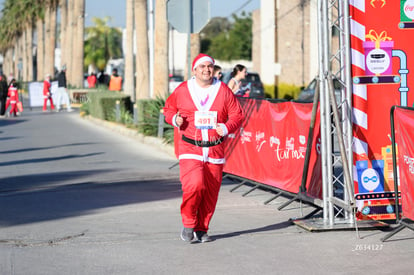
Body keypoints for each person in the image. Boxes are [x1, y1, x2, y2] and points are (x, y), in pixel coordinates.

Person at [163, 53, 244, 243]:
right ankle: (189, 223)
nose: (206, 70)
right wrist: (175, 119)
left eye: (210, 66)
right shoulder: (183, 90)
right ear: (195, 70)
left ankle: (202, 228)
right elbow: (168, 109)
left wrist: (226, 127)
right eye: (202, 67)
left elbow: (237, 115)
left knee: (210, 193)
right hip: (191, 147)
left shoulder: (223, 90)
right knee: (194, 184)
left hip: (215, 150)